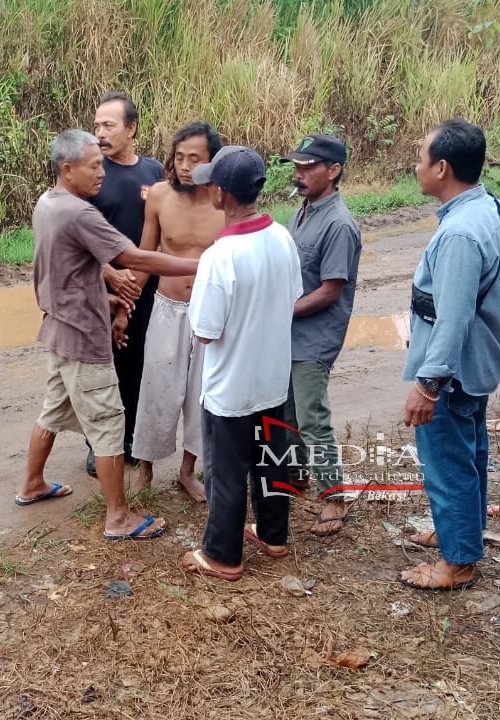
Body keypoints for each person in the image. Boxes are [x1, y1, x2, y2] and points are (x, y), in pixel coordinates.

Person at [16, 129, 200, 540]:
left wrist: (107, 290)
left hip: (59, 330)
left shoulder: (48, 203)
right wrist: (201, 264)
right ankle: (119, 517)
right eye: (95, 166)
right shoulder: (79, 213)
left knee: (52, 410)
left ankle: (32, 484)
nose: (102, 173)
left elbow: (72, 264)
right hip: (83, 336)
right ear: (68, 169)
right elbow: (135, 256)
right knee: (108, 424)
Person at [400, 118, 500, 590]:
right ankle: (459, 531)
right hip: (479, 360)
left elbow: (452, 319)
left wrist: (428, 384)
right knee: (469, 455)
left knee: (448, 462)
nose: (415, 166)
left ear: (442, 168)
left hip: (451, 372)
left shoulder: (459, 235)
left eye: (420, 157)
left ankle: (458, 562)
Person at [181, 146, 303, 581]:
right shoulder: (282, 237)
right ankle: (273, 535)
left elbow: (205, 331)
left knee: (227, 472)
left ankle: (222, 555)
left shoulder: (220, 256)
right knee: (271, 459)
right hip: (272, 378)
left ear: (221, 193)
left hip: (231, 387)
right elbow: (292, 298)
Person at [130, 121, 226, 502]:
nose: (185, 166)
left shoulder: (225, 202)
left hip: (210, 312)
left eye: (195, 159)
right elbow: (144, 257)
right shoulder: (158, 196)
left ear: (212, 162)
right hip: (166, 309)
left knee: (201, 392)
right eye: (179, 157)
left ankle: (188, 470)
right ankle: (145, 468)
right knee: (156, 388)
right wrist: (126, 304)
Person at [280, 133, 362, 536]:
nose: (299, 174)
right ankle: (296, 475)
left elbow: (330, 290)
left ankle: (334, 498)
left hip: (314, 338)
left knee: (312, 417)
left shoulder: (338, 224)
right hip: (291, 334)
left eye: (308, 167)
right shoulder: (304, 211)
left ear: (333, 171)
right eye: (297, 166)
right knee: (289, 412)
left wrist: (279, 313)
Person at [86, 91, 165, 475]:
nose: (100, 133)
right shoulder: (91, 172)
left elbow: (163, 225)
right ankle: (97, 445)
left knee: (137, 365)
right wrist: (111, 275)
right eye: (96, 126)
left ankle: (131, 437)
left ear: (131, 129)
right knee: (102, 369)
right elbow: (79, 237)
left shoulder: (153, 171)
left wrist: (142, 279)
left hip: (145, 289)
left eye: (108, 125)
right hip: (101, 289)